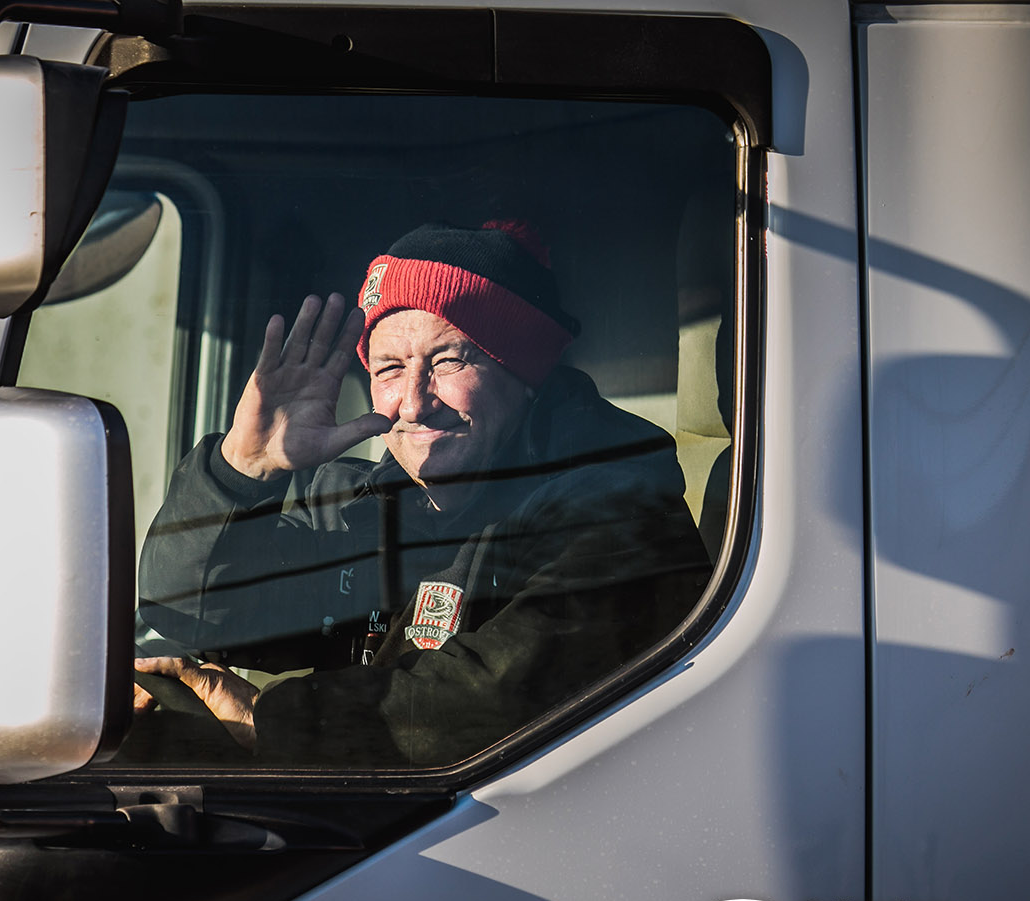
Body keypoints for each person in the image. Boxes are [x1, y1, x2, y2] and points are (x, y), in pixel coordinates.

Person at [128, 220, 711, 766]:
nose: (412, 402)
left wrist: (267, 718)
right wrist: (243, 470)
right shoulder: (353, 504)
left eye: (448, 361)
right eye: (388, 369)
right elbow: (189, 613)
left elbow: (502, 700)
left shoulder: (615, 506)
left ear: (525, 375)